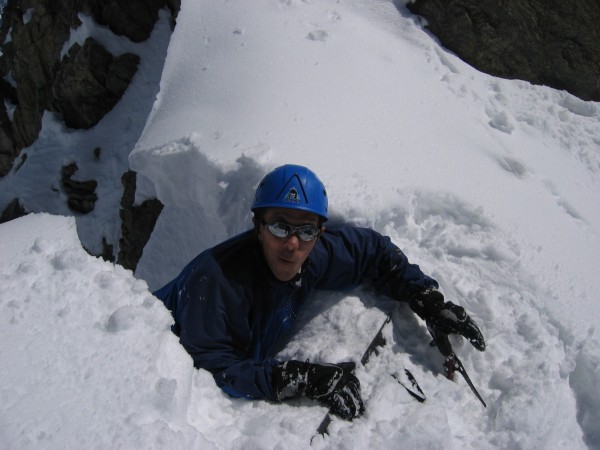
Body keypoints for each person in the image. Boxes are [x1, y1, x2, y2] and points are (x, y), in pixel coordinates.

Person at [154, 164, 485, 420]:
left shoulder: (312, 256)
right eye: (280, 226)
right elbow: (210, 368)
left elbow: (373, 252)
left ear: (319, 233)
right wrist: (293, 378)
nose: (293, 243)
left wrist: (426, 299)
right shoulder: (214, 282)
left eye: (306, 230)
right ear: (258, 226)